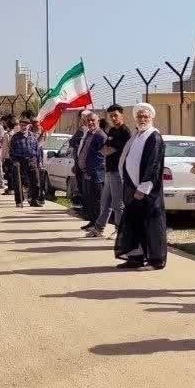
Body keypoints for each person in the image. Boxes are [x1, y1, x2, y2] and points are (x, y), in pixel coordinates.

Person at [114, 103, 167, 270]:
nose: (142, 119)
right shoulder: (137, 135)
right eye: (140, 116)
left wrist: (143, 188)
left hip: (147, 191)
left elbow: (154, 165)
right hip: (132, 187)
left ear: (151, 118)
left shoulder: (154, 136)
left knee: (151, 225)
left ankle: (156, 260)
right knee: (133, 223)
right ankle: (136, 257)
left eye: (146, 117)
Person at [88, 105, 131, 238]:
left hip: (118, 172)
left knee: (118, 204)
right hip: (109, 170)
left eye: (115, 115)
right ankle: (99, 228)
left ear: (121, 115)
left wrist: (108, 149)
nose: (113, 118)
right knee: (105, 202)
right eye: (111, 116)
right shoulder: (112, 130)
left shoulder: (125, 132)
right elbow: (106, 148)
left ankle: (120, 231)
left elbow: (111, 150)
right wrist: (108, 149)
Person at [77, 113, 107, 232]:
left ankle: (98, 225)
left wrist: (93, 168)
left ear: (98, 121)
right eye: (88, 120)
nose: (90, 123)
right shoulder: (89, 133)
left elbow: (103, 155)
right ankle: (92, 221)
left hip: (96, 173)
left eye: (93, 120)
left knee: (97, 200)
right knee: (90, 199)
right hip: (86, 172)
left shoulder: (101, 136)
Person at [8, 116, 44, 208]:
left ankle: (34, 200)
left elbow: (37, 150)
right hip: (20, 160)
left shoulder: (33, 136)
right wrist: (15, 161)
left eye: (25, 125)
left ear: (29, 126)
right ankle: (19, 201)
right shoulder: (15, 137)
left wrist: (39, 161)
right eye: (21, 125)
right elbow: (11, 151)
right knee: (18, 182)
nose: (23, 127)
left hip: (32, 160)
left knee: (35, 181)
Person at [68, 111, 89, 212]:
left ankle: (86, 208)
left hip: (86, 163)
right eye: (83, 117)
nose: (84, 119)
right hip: (79, 161)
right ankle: (82, 207)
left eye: (86, 117)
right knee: (80, 185)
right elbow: (71, 142)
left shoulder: (87, 130)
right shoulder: (81, 129)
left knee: (85, 186)